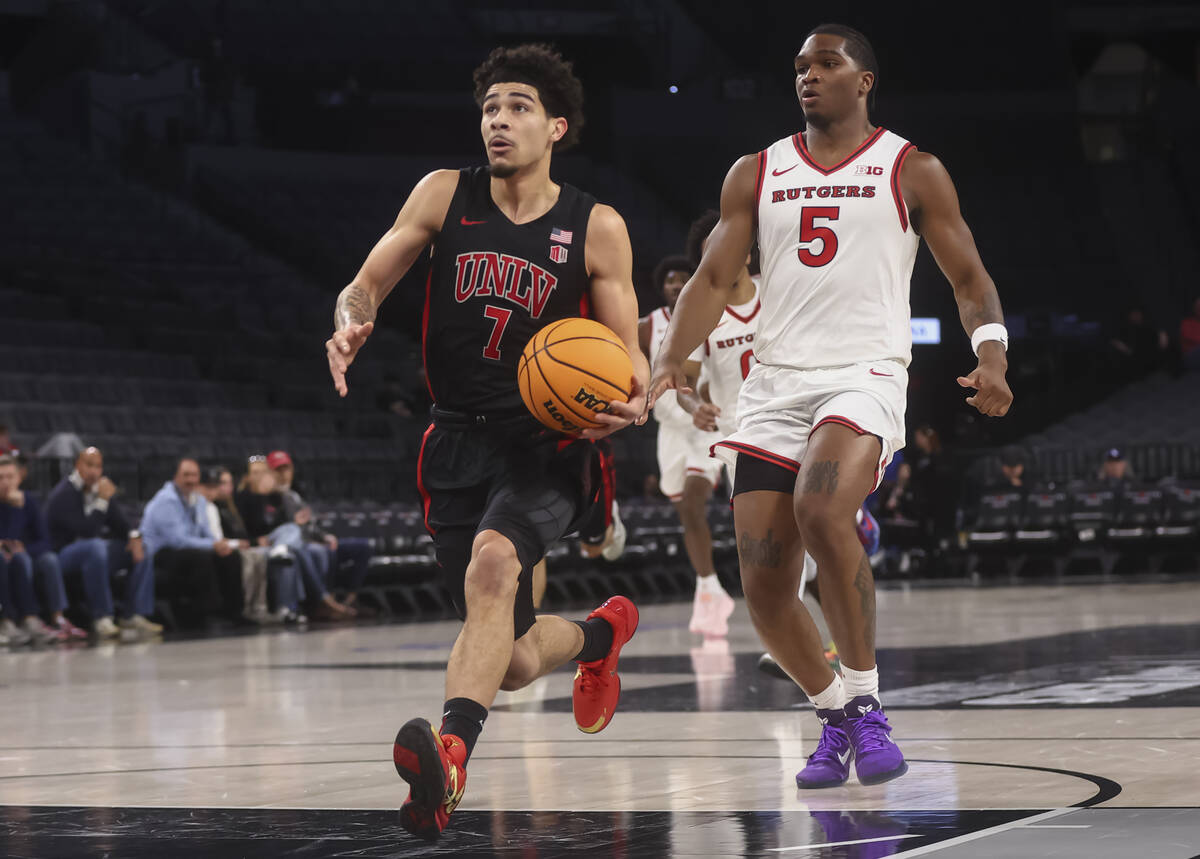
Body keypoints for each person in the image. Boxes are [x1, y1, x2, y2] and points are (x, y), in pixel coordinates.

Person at [648, 23, 1012, 790]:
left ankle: (870, 700)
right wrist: (671, 360)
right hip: (775, 383)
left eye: (825, 63)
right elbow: (713, 279)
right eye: (799, 67)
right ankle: (835, 715)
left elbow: (969, 275)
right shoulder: (756, 171)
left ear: (864, 80)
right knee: (766, 586)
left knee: (820, 512)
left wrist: (991, 352)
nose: (807, 76)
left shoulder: (913, 169)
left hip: (866, 373)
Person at [324, 44, 646, 839]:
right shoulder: (444, 194)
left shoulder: (595, 226)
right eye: (490, 106)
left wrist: (633, 398)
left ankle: (450, 761)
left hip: (549, 444)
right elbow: (366, 279)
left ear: (557, 126)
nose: (498, 120)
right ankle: (603, 632)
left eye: (518, 107)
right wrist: (350, 318)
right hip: (454, 440)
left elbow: (628, 353)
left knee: (495, 563)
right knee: (514, 656)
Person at [640, 251, 735, 638]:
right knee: (685, 513)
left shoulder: (705, 313)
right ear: (661, 287)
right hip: (669, 428)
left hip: (704, 421)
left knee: (695, 503)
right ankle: (708, 586)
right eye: (670, 280)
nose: (677, 284)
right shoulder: (647, 326)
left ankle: (710, 587)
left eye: (683, 278)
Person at [45, 447, 160, 639]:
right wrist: (102, 501)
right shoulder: (63, 494)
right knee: (95, 546)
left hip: (95, 554)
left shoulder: (99, 490)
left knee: (142, 549)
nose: (94, 471)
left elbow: (122, 525)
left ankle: (133, 615)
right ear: (77, 465)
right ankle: (102, 617)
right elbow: (86, 531)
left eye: (98, 466)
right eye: (89, 465)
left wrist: (134, 537)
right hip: (62, 556)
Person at [141, 457, 243, 627]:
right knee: (200, 559)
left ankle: (233, 613)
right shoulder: (166, 500)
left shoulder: (198, 500)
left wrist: (219, 545)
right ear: (176, 476)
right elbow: (177, 541)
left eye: (194, 475)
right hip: (160, 553)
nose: (190, 480)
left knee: (230, 556)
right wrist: (212, 545)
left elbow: (205, 532)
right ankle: (203, 615)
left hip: (185, 550)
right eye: (186, 475)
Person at [0, 453, 86, 641]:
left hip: (26, 555)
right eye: (1, 478)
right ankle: (17, 620)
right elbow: (7, 537)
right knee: (12, 558)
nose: (6, 482)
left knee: (49, 559)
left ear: (19, 477)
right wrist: (14, 509)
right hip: (5, 559)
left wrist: (24, 549)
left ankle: (58, 618)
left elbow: (45, 541)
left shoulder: (28, 501)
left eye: (10, 477)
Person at [267, 450, 359, 619]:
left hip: (305, 540)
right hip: (287, 543)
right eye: (278, 470)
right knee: (312, 551)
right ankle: (323, 601)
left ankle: (334, 600)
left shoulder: (295, 494)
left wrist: (323, 537)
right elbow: (277, 527)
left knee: (331, 548)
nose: (283, 474)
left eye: (286, 469)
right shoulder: (271, 497)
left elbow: (309, 524)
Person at [200, 466, 268, 622]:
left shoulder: (229, 507)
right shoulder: (208, 506)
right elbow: (217, 538)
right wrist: (241, 543)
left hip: (229, 545)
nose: (226, 487)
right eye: (221, 483)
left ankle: (259, 607)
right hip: (220, 547)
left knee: (258, 557)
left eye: (229, 483)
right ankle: (245, 608)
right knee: (248, 558)